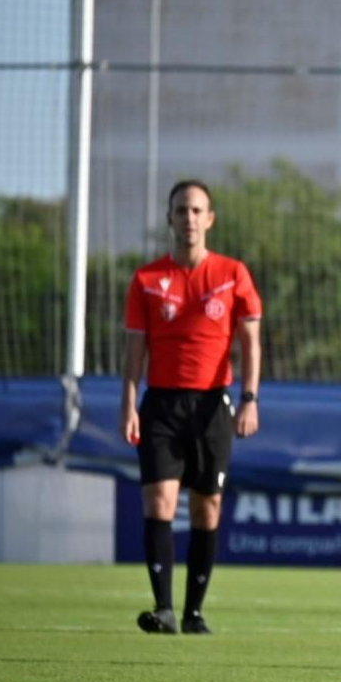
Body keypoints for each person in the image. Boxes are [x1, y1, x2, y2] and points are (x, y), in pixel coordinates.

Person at [121, 179, 262, 635]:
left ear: (210, 219)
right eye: (181, 210)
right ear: (170, 218)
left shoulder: (232, 273)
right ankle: (162, 608)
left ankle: (193, 611)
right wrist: (129, 403)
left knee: (208, 507)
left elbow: (250, 342)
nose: (189, 218)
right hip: (160, 403)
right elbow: (134, 351)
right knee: (159, 500)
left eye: (197, 210)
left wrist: (249, 398)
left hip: (212, 405)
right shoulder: (146, 279)